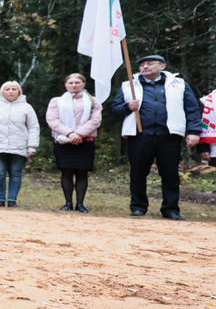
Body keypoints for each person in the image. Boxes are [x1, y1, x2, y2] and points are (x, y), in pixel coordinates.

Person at [109, 54, 202, 219]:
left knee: (170, 173)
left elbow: (192, 109)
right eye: (142, 65)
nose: (145, 67)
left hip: (169, 135)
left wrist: (194, 131)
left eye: (149, 64)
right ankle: (138, 207)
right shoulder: (129, 85)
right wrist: (128, 106)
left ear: (162, 66)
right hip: (140, 135)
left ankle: (170, 209)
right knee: (138, 172)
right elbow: (115, 109)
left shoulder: (179, 84)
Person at [0, 81, 39, 207]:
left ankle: (12, 200)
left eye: (14, 89)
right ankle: (0, 200)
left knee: (16, 173)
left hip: (19, 146)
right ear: (2, 92)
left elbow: (33, 127)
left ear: (19, 92)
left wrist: (32, 146)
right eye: (7, 89)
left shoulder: (27, 107)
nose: (10, 92)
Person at [45, 73, 102, 213]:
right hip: (64, 141)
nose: (74, 85)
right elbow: (52, 120)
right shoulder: (56, 101)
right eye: (70, 83)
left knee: (82, 173)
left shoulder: (93, 101)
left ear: (83, 84)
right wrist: (70, 133)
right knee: (66, 172)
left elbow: (95, 121)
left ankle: (81, 204)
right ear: (66, 85)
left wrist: (79, 134)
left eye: (77, 82)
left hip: (85, 140)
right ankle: (68, 202)